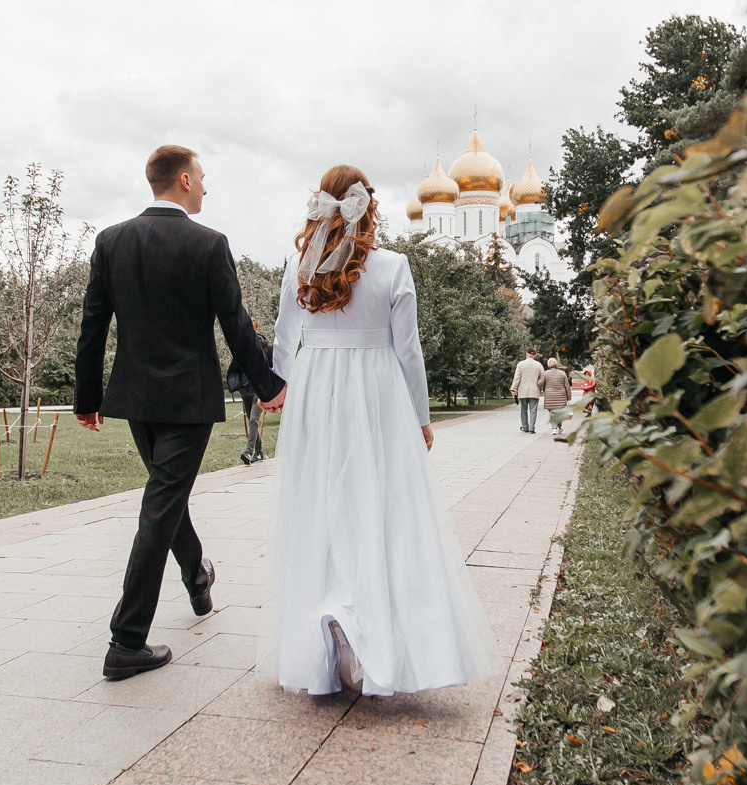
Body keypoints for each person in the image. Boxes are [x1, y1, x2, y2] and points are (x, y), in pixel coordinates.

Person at [266, 165, 492, 696]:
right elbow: (408, 349)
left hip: (316, 388)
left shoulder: (300, 266)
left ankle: (328, 616)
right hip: (376, 391)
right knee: (382, 503)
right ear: (368, 207)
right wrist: (420, 416)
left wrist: (281, 390)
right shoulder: (393, 266)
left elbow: (283, 338)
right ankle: (371, 624)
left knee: (318, 502)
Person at [74, 145, 285, 681]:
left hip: (136, 399)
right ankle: (126, 641)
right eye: (203, 178)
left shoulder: (111, 241)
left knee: (165, 499)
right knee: (161, 503)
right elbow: (236, 323)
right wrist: (269, 386)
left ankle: (196, 575)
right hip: (189, 401)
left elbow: (93, 326)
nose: (206, 188)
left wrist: (87, 398)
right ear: (184, 180)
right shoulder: (209, 244)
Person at [227, 318, 273, 464]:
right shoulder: (241, 348)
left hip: (259, 391)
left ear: (257, 330)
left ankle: (248, 452)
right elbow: (234, 368)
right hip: (245, 390)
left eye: (252, 329)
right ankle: (259, 453)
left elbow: (274, 368)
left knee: (253, 420)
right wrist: (238, 385)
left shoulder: (267, 348)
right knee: (252, 421)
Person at [510, 348, 544, 434]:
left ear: (526, 354)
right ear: (534, 355)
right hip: (534, 390)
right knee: (533, 410)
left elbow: (517, 378)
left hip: (523, 391)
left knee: (523, 410)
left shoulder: (521, 364)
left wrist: (513, 388)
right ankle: (532, 428)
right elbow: (542, 378)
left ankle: (525, 427)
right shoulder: (538, 365)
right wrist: (540, 387)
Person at [540, 357, 571, 435]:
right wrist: (569, 397)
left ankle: (554, 428)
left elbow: (540, 384)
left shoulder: (545, 373)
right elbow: (567, 386)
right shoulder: (562, 373)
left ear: (548, 364)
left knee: (552, 412)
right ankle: (559, 427)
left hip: (550, 396)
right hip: (561, 396)